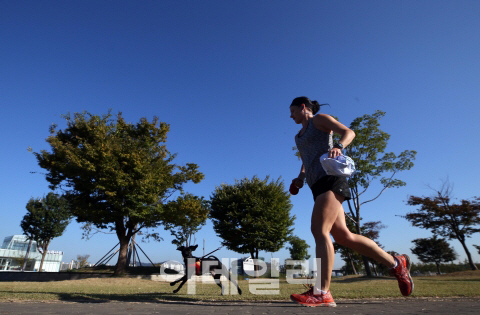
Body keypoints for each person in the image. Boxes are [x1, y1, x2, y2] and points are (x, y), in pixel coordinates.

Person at [288, 96, 413, 307]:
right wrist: (300, 178)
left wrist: (338, 146)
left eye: (292, 111)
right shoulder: (298, 136)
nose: (290, 116)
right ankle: (396, 263)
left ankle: (322, 292)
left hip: (332, 179)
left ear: (303, 107)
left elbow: (349, 132)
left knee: (319, 230)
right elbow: (306, 159)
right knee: (344, 237)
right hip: (316, 185)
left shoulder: (320, 120)